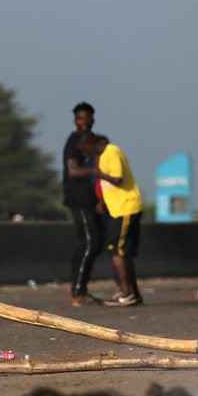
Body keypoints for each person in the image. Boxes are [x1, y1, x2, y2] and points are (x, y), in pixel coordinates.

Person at [89, 133, 143, 307]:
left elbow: (117, 179)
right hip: (117, 209)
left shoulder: (111, 151)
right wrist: (101, 201)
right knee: (121, 251)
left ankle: (127, 293)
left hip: (124, 208)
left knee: (115, 250)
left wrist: (97, 172)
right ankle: (132, 293)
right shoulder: (102, 156)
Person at [62, 102, 107, 306]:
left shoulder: (96, 141)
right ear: (75, 121)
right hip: (78, 199)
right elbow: (73, 171)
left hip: (92, 200)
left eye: (87, 118)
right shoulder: (73, 142)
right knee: (90, 242)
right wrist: (96, 172)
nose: (84, 122)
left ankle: (79, 287)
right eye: (80, 118)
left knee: (88, 244)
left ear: (93, 119)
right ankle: (77, 291)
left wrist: (100, 198)